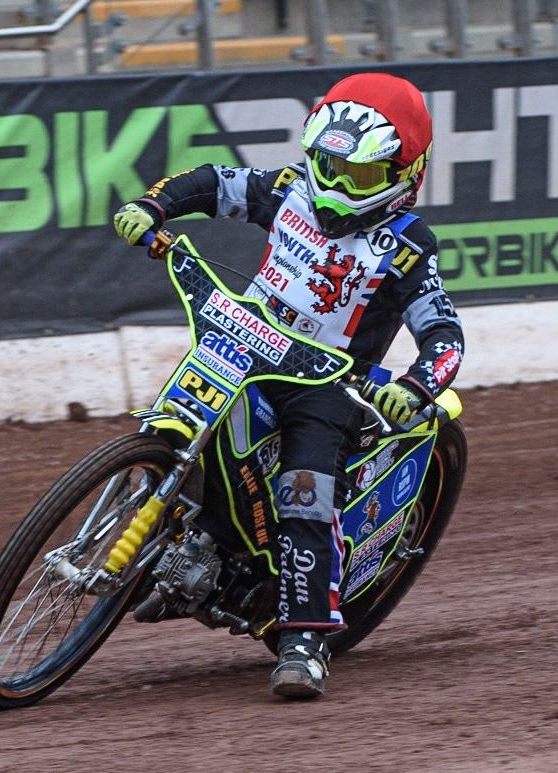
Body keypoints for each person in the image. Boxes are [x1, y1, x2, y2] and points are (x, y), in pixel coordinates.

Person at [112, 72, 464, 699]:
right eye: (325, 162)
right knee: (176, 426)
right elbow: (214, 183)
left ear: (404, 173)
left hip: (325, 383)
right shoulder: (288, 190)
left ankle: (305, 638)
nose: (332, 182)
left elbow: (444, 332)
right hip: (243, 342)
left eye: (354, 175)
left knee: (305, 490)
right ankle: (172, 541)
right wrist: (155, 206)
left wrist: (415, 384)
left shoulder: (408, 244)